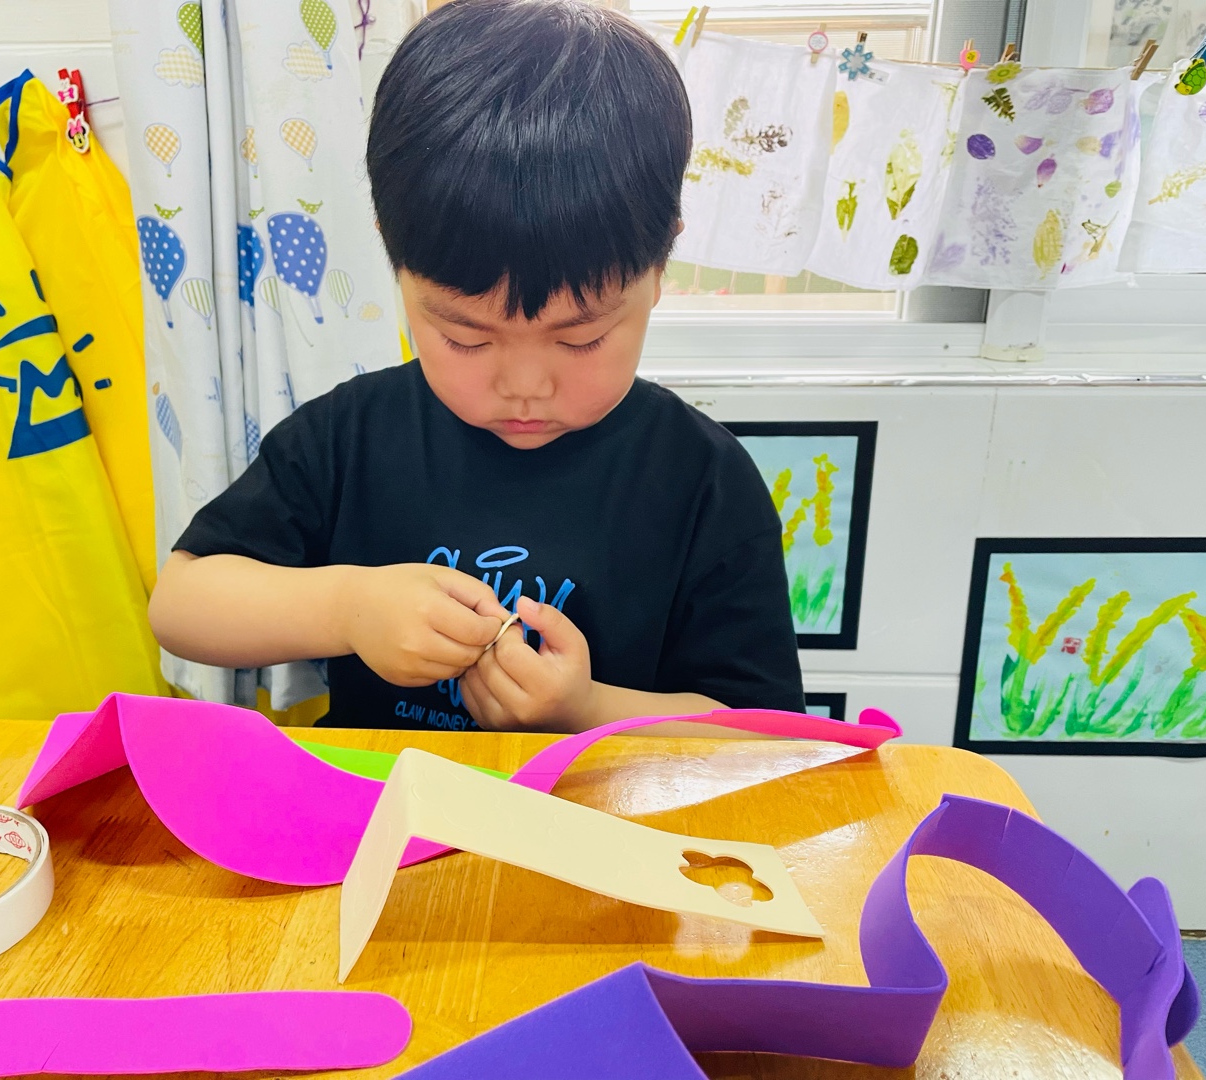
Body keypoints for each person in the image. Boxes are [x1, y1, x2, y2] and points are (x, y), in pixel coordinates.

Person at [148, 0, 803, 732]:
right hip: (380, 800)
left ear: (660, 266)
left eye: (580, 339)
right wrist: (347, 608)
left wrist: (588, 710)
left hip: (596, 807)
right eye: (465, 338)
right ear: (394, 260)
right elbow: (180, 603)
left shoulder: (703, 478)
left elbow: (767, 733)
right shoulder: (351, 436)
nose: (524, 387)